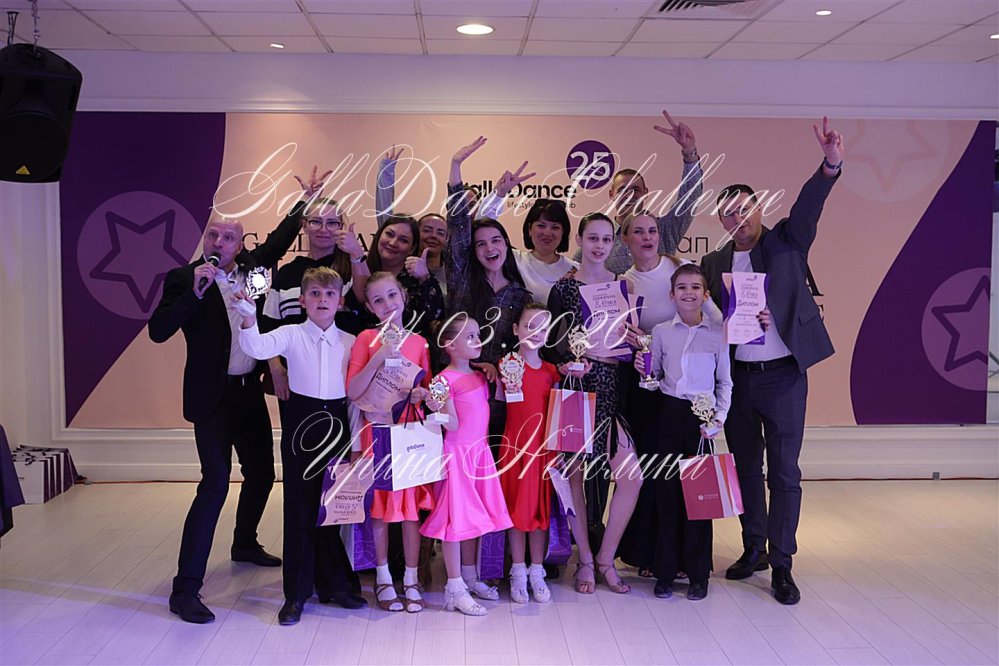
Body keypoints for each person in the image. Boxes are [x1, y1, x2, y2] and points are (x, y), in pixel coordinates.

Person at [147, 176, 314, 624]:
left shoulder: (254, 272)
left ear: (240, 245)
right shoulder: (184, 278)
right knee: (216, 483)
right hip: (211, 397)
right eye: (213, 234)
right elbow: (158, 331)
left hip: (247, 391)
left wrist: (305, 201)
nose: (218, 242)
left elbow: (278, 241)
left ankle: (244, 542)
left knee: (261, 472)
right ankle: (185, 589)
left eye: (228, 237)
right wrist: (195, 293)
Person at [700, 117, 843, 605]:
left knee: (784, 473)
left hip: (783, 378)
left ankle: (783, 563)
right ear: (721, 221)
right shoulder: (714, 263)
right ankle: (754, 548)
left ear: (758, 209)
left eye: (745, 209)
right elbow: (708, 318)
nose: (738, 219)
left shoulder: (786, 240)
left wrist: (829, 165)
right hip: (738, 380)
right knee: (745, 467)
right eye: (729, 214)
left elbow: (809, 206)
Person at [237, 267, 366, 625]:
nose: (322, 300)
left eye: (329, 294)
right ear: (303, 301)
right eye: (314, 294)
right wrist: (248, 317)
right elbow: (255, 346)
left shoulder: (351, 342)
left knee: (333, 508)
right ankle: (295, 594)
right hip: (301, 428)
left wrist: (356, 443)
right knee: (299, 508)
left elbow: (355, 398)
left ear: (340, 301)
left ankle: (334, 585)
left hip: (338, 426)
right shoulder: (291, 334)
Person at [545, 212, 642, 596]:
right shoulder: (564, 288)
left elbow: (633, 341)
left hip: (614, 388)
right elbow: (552, 345)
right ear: (580, 241)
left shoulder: (623, 287)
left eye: (605, 239)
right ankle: (585, 557)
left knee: (631, 476)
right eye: (592, 238)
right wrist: (567, 361)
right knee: (574, 476)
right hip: (577, 387)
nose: (599, 246)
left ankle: (605, 557)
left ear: (614, 243)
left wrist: (636, 341)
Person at [634, 264, 737, 601]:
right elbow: (653, 378)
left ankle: (698, 575)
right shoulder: (662, 332)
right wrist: (644, 373)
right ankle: (665, 572)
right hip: (669, 414)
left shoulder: (718, 334)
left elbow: (725, 382)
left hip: (700, 421)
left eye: (695, 287)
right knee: (666, 496)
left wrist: (718, 419)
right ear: (671, 294)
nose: (688, 293)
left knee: (699, 500)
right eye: (681, 287)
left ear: (705, 295)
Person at [346, 272, 434, 614]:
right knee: (380, 510)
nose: (387, 304)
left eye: (392, 296)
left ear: (404, 297)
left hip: (409, 435)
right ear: (369, 306)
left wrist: (422, 394)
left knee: (410, 510)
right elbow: (353, 391)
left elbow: (426, 391)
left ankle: (411, 578)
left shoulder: (419, 343)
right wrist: (379, 356)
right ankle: (383, 578)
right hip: (377, 435)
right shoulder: (365, 339)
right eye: (378, 300)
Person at [421, 315, 514, 616]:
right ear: (450, 345)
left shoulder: (478, 375)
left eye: (477, 334)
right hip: (457, 456)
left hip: (479, 454)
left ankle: (470, 576)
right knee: (455, 522)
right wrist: (436, 406)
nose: (477, 340)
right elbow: (452, 424)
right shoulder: (443, 380)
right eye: (470, 336)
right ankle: (455, 586)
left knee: (473, 519)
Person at [445, 137, 534, 449]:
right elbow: (458, 225)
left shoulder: (521, 296)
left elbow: (524, 350)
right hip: (461, 394)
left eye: (495, 240)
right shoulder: (462, 279)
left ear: (506, 245)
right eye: (480, 243)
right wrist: (455, 166)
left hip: (502, 398)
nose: (489, 248)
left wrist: (501, 367)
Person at [573, 110, 703, 274]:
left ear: (646, 193)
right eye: (622, 190)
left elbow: (689, 198)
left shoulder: (664, 230)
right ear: (611, 195)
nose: (629, 195)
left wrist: (689, 151)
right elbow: (576, 277)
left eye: (635, 189)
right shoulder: (600, 238)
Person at [497, 303, 562, 604]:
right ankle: (517, 570)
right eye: (529, 326)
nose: (536, 333)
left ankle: (537, 570)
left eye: (542, 328)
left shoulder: (552, 372)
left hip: (542, 451)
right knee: (516, 510)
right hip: (514, 449)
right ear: (516, 329)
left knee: (539, 511)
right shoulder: (505, 365)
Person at [342, 215, 444, 339]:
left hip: (409, 348)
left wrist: (425, 278)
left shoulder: (419, 279)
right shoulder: (357, 268)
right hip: (360, 346)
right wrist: (356, 256)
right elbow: (363, 302)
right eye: (389, 234)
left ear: (412, 248)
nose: (393, 243)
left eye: (403, 240)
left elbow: (431, 319)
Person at [514, 198, 577, 304]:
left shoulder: (575, 269)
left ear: (563, 232)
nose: (547, 233)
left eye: (555, 227)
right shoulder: (514, 261)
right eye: (541, 226)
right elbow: (484, 229)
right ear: (529, 229)